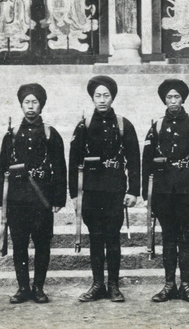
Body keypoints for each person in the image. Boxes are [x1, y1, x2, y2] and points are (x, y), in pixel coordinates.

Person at [68, 75, 140, 302]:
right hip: (90, 191)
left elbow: (134, 159)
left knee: (113, 238)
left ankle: (114, 286)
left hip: (114, 190)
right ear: (92, 98)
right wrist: (74, 194)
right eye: (97, 95)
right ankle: (97, 284)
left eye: (106, 95)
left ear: (112, 97)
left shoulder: (123, 124)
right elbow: (74, 161)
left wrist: (133, 191)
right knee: (96, 238)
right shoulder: (84, 125)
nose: (102, 100)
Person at [142, 79, 189, 303]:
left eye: (177, 97)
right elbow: (147, 161)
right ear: (164, 99)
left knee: (186, 236)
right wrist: (147, 194)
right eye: (169, 97)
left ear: (183, 99)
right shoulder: (157, 125)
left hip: (187, 188)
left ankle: (186, 286)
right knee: (168, 237)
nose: (173, 101)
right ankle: (169, 285)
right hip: (163, 190)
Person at [0, 83, 67, 304]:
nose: (30, 106)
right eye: (26, 102)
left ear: (41, 105)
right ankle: (23, 288)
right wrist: (1, 199)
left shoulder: (50, 134)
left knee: (42, 243)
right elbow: (2, 168)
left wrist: (58, 199)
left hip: (42, 199)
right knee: (19, 244)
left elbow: (60, 167)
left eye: (34, 102)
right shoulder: (12, 134)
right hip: (17, 199)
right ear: (21, 105)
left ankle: (38, 288)